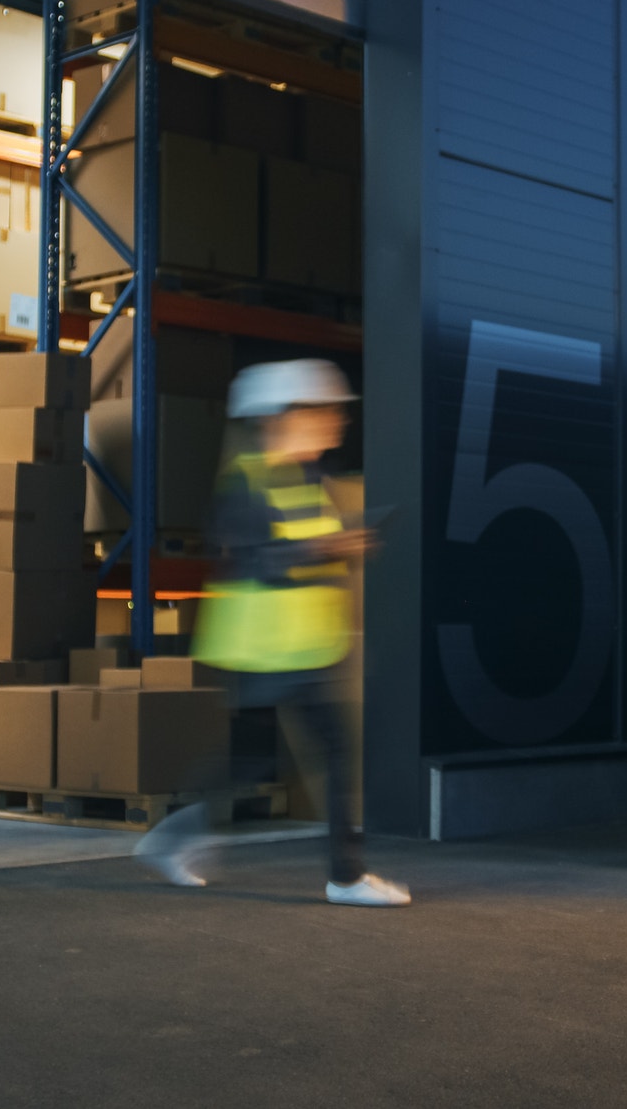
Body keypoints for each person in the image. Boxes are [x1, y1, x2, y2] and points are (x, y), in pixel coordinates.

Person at [135, 359, 408, 907]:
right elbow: (257, 558)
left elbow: (304, 555)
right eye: (323, 411)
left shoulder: (309, 480)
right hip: (267, 649)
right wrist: (331, 548)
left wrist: (344, 547)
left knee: (253, 759)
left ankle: (176, 838)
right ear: (284, 417)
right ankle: (346, 876)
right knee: (328, 749)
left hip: (304, 646)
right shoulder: (246, 483)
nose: (336, 422)